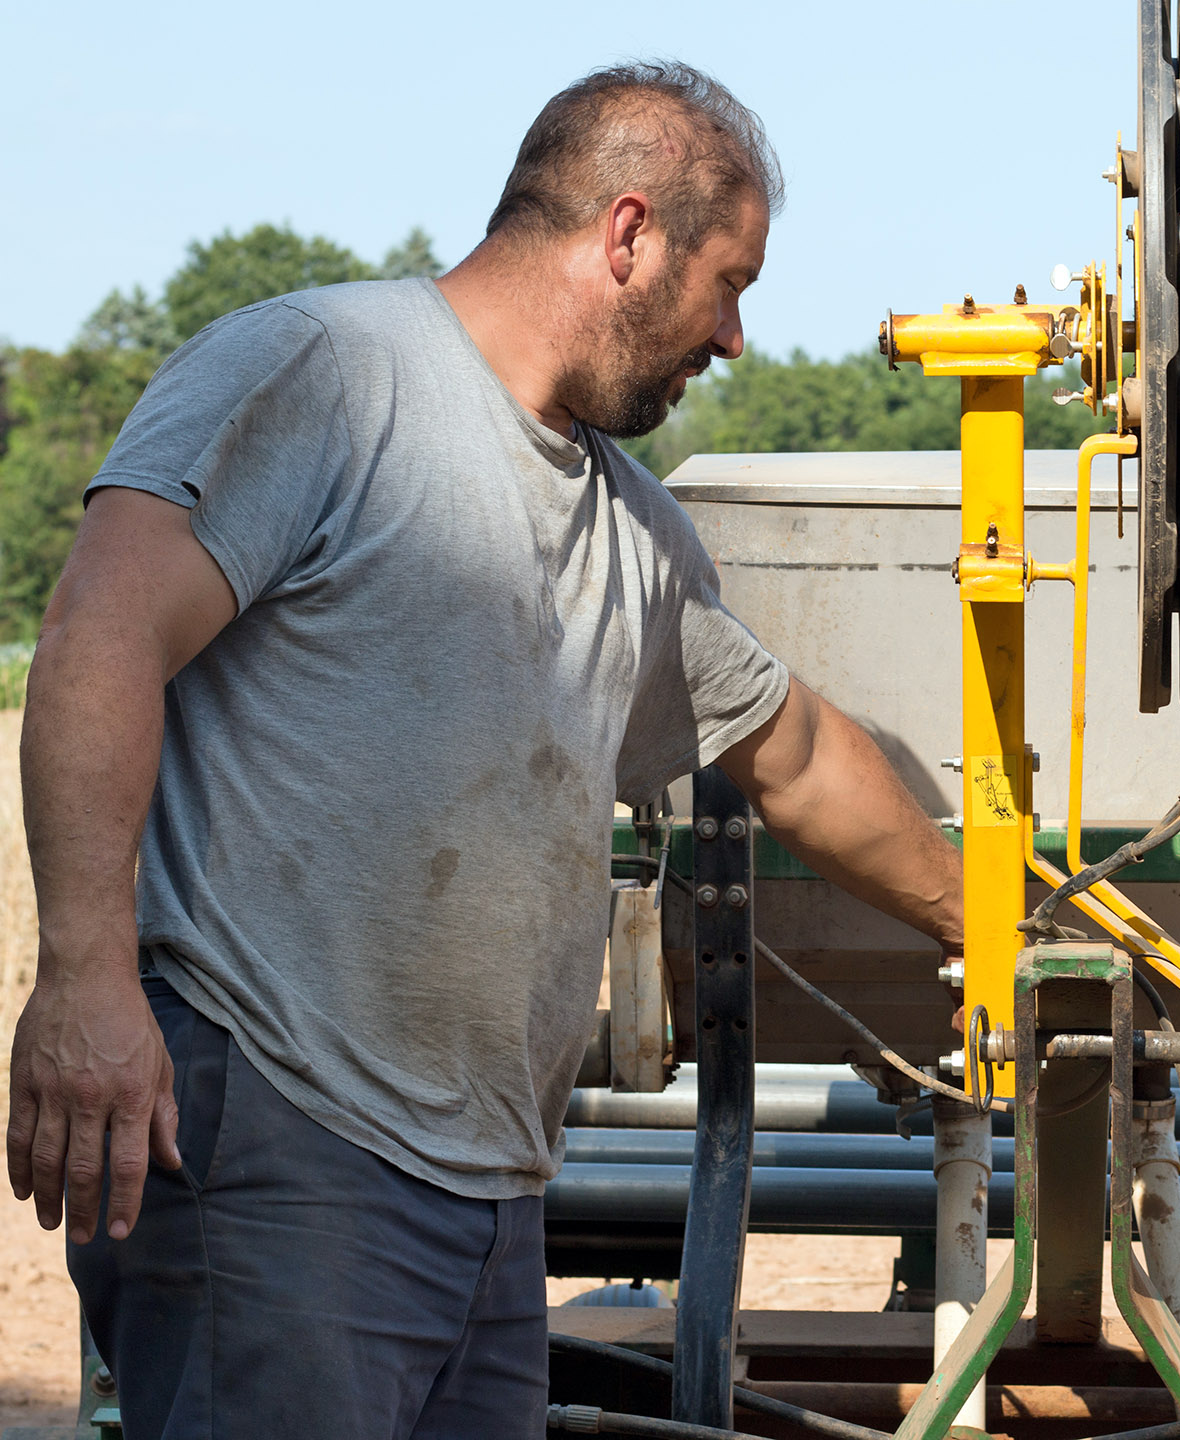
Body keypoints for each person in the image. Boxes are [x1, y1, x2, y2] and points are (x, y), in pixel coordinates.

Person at [7, 60, 962, 1437]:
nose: (737, 337)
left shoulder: (635, 532)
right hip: (284, 1142)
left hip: (491, 1195)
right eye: (731, 283)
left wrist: (995, 923)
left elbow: (794, 751)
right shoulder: (331, 374)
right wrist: (87, 980)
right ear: (630, 234)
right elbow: (100, 635)